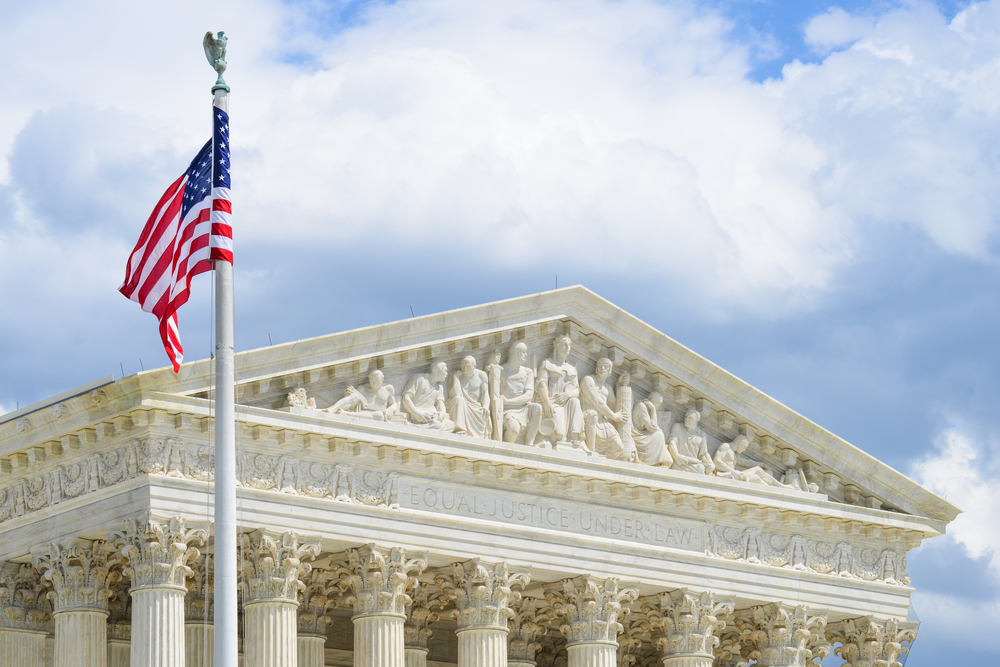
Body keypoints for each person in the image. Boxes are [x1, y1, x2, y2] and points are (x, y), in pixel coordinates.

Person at [580, 358, 636, 461]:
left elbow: (615, 406)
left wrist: (619, 385)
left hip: (602, 420)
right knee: (593, 415)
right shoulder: (588, 380)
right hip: (587, 415)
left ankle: (602, 461)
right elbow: (597, 402)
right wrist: (614, 416)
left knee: (619, 447)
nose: (602, 368)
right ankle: (591, 453)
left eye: (606, 366)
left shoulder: (608, 388)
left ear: (610, 371)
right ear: (596, 369)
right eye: (600, 365)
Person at [535, 335, 585, 445]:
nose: (568, 347)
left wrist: (567, 395)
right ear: (556, 346)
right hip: (552, 402)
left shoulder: (572, 368)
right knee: (559, 433)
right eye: (564, 344)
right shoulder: (547, 363)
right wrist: (546, 402)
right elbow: (541, 384)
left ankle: (575, 436)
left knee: (575, 401)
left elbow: (577, 390)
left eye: (570, 344)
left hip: (567, 403)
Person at [490, 341, 542, 445]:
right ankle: (505, 448)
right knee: (514, 429)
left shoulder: (528, 372)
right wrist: (490, 365)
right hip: (507, 410)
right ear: (514, 352)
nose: (526, 355)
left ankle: (529, 443)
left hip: (523, 408)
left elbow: (528, 396)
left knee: (537, 408)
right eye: (523, 352)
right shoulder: (501, 370)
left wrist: (508, 401)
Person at [713, 435, 787, 486]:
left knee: (760, 477)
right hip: (727, 475)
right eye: (744, 446)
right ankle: (782, 487)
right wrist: (733, 471)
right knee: (758, 477)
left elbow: (746, 463)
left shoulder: (735, 455)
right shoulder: (726, 446)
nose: (744, 449)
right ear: (739, 442)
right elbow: (716, 461)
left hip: (735, 475)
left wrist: (761, 464)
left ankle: (781, 487)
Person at [325, 369, 398, 421]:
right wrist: (347, 393)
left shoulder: (388, 389)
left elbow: (394, 404)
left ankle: (346, 414)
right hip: (362, 412)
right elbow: (349, 400)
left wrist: (390, 409)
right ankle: (331, 410)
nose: (374, 384)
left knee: (380, 415)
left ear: (382, 379)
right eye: (372, 381)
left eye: (377, 381)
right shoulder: (363, 388)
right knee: (354, 396)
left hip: (375, 416)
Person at [401, 361, 455, 432]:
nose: (446, 374)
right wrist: (416, 413)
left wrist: (441, 414)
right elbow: (406, 398)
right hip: (418, 415)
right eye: (445, 371)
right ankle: (414, 426)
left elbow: (440, 404)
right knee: (437, 425)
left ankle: (415, 428)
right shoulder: (419, 379)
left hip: (432, 417)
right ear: (439, 372)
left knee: (451, 425)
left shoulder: (439, 388)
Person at [447, 356, 491, 439]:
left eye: (468, 366)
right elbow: (456, 394)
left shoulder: (481, 375)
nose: (464, 369)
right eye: (462, 366)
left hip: (475, 407)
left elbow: (485, 394)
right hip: (460, 406)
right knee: (458, 399)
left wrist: (486, 405)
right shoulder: (455, 374)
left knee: (482, 411)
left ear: (474, 366)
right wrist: (456, 376)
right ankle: (459, 428)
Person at [666, 409, 715, 474]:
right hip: (678, 460)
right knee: (673, 464)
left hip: (693, 463)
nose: (686, 419)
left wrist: (711, 464)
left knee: (700, 468)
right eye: (686, 416)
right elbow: (672, 442)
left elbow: (703, 454)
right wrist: (676, 456)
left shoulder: (701, 435)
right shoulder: (677, 427)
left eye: (690, 417)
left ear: (697, 420)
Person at [632, 391, 671, 466]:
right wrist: (653, 409)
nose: (660, 406)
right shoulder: (641, 406)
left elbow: (653, 427)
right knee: (659, 434)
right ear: (652, 401)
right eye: (659, 403)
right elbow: (652, 428)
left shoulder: (646, 408)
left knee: (659, 433)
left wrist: (652, 409)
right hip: (638, 436)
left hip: (643, 434)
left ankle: (656, 461)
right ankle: (653, 462)